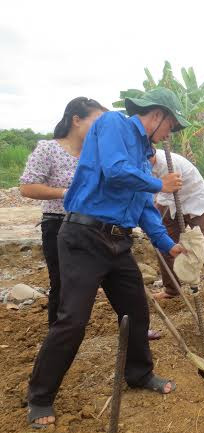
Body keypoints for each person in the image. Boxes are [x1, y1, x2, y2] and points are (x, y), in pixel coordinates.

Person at [26, 88, 190, 428]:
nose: (168, 135)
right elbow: (115, 171)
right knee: (72, 319)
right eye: (170, 126)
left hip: (117, 242)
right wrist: (159, 183)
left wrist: (166, 243)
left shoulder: (144, 152)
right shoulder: (115, 125)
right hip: (84, 236)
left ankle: (139, 374)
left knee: (136, 311)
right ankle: (40, 397)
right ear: (156, 114)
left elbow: (143, 207)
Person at [19, 97, 107, 325]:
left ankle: (132, 327)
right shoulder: (48, 149)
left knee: (101, 279)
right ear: (76, 120)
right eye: (96, 122)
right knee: (61, 283)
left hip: (92, 225)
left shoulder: (96, 153)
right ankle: (57, 337)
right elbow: (27, 187)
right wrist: (66, 193)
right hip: (58, 224)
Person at [150, 148, 204, 312]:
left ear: (150, 155)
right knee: (163, 245)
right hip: (169, 203)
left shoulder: (167, 163)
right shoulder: (142, 164)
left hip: (196, 202)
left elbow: (169, 189)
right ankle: (171, 289)